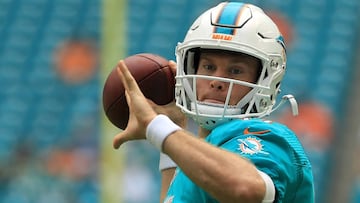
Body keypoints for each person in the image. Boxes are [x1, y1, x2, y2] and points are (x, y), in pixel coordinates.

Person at [113, 2, 315, 203]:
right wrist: (173, 133)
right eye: (209, 67)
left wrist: (157, 127)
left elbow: (246, 189)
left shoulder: (268, 137)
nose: (217, 81)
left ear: (264, 80)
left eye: (235, 71)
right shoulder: (201, 156)